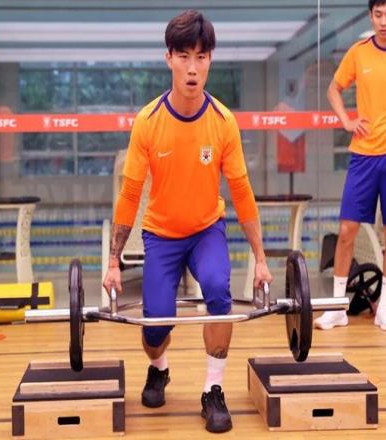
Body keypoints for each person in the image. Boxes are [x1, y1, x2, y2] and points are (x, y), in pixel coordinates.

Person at [102, 10, 272, 433]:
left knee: (217, 290)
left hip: (205, 231)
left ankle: (213, 391)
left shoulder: (223, 123)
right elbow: (130, 194)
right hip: (161, 235)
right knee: (155, 326)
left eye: (201, 56)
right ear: (169, 59)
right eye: (184, 56)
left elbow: (242, 192)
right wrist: (113, 262)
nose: (192, 68)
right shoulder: (148, 122)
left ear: (210, 60)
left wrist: (261, 258)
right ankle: (159, 367)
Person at [315, 0, 386, 331]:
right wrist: (347, 121)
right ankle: (337, 309)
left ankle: (385, 309)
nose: (383, 21)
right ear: (370, 16)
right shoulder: (358, 52)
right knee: (347, 230)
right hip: (363, 156)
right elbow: (333, 89)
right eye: (378, 15)